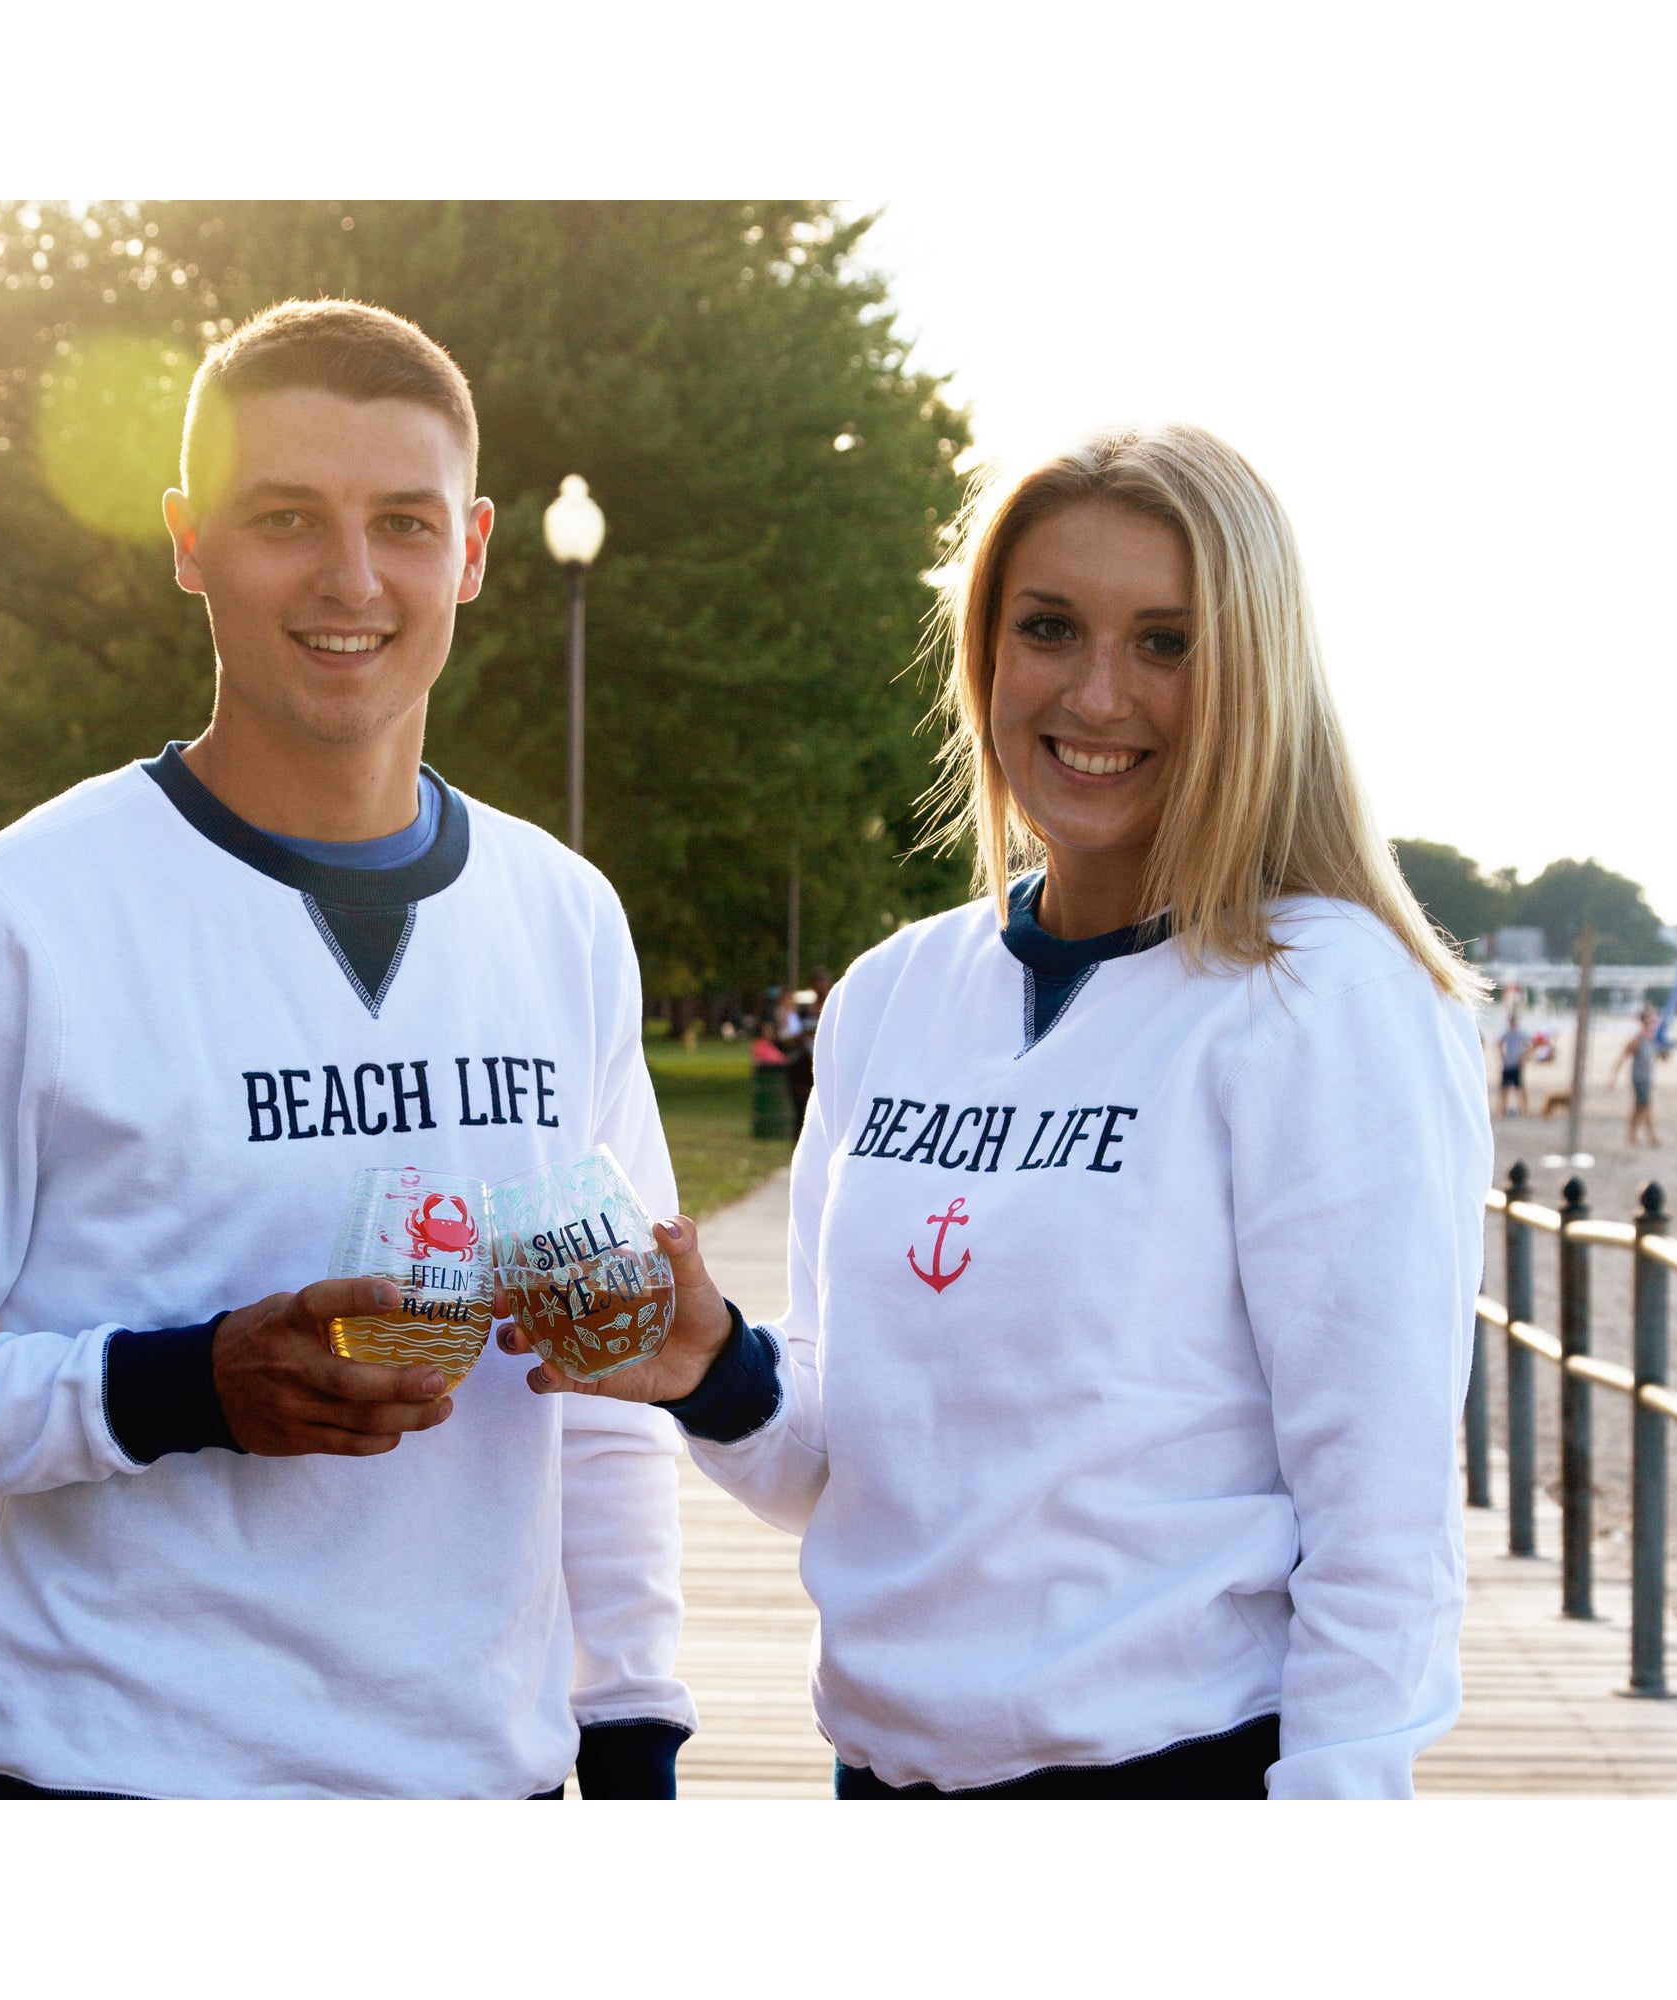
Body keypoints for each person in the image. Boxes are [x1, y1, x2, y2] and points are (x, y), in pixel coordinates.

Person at [0, 299, 696, 1800]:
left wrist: (632, 1734)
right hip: (127, 1790)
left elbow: (602, 1381)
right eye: (283, 517)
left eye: (402, 521)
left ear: (472, 550)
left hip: (489, 1787)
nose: (349, 578)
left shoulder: (561, 913)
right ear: (189, 541)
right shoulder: (7, 919)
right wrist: (178, 1387)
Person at [515, 424, 1492, 1798]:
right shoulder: (892, 995)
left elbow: (1381, 1521)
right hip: (881, 1780)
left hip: (1177, 1783)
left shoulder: (1323, 999)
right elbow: (849, 1464)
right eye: (1048, 627)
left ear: (1256, 673)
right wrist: (712, 1366)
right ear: (982, 653)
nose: (1096, 693)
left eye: (1166, 642)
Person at [1610, 1005, 1666, 1147]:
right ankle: (1651, 1136)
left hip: (1647, 1078)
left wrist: (1665, 1048)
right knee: (1646, 1106)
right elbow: (1622, 1058)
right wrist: (1613, 1079)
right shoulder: (1637, 1040)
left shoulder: (1654, 1040)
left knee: (1638, 1107)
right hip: (1639, 1078)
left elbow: (1663, 1058)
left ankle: (1632, 1136)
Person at [1498, 1007, 1531, 1116]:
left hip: (1516, 1062)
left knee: (1520, 1087)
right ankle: (1503, 1108)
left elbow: (1529, 1046)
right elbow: (1499, 1043)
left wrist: (1523, 1058)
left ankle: (1524, 1109)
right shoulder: (1507, 1033)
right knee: (1505, 1087)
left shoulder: (1521, 1033)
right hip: (1508, 1063)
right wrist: (1502, 1056)